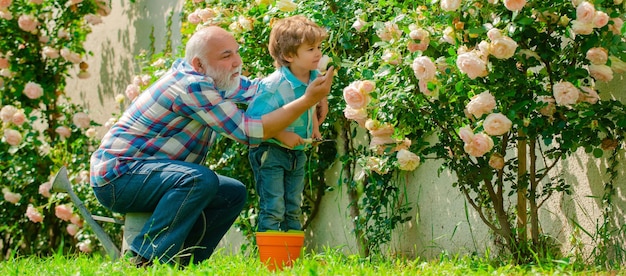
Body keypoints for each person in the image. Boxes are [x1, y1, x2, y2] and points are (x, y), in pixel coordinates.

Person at [89, 25, 334, 267]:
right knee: (198, 179)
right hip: (118, 178)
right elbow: (249, 132)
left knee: (232, 193)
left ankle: (184, 261)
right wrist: (306, 100)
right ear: (198, 64)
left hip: (147, 175)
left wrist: (314, 92)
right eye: (226, 56)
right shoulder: (191, 85)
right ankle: (144, 259)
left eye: (236, 52)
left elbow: (262, 89)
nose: (237, 62)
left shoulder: (216, 79)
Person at [246, 15, 328, 233]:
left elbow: (308, 107)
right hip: (270, 151)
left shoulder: (313, 77)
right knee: (274, 208)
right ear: (288, 55)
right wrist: (282, 135)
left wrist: (315, 127)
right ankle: (271, 262)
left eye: (319, 47)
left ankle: (291, 260)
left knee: (293, 207)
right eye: (310, 49)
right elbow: (254, 121)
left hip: (297, 152)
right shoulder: (273, 86)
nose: (318, 53)